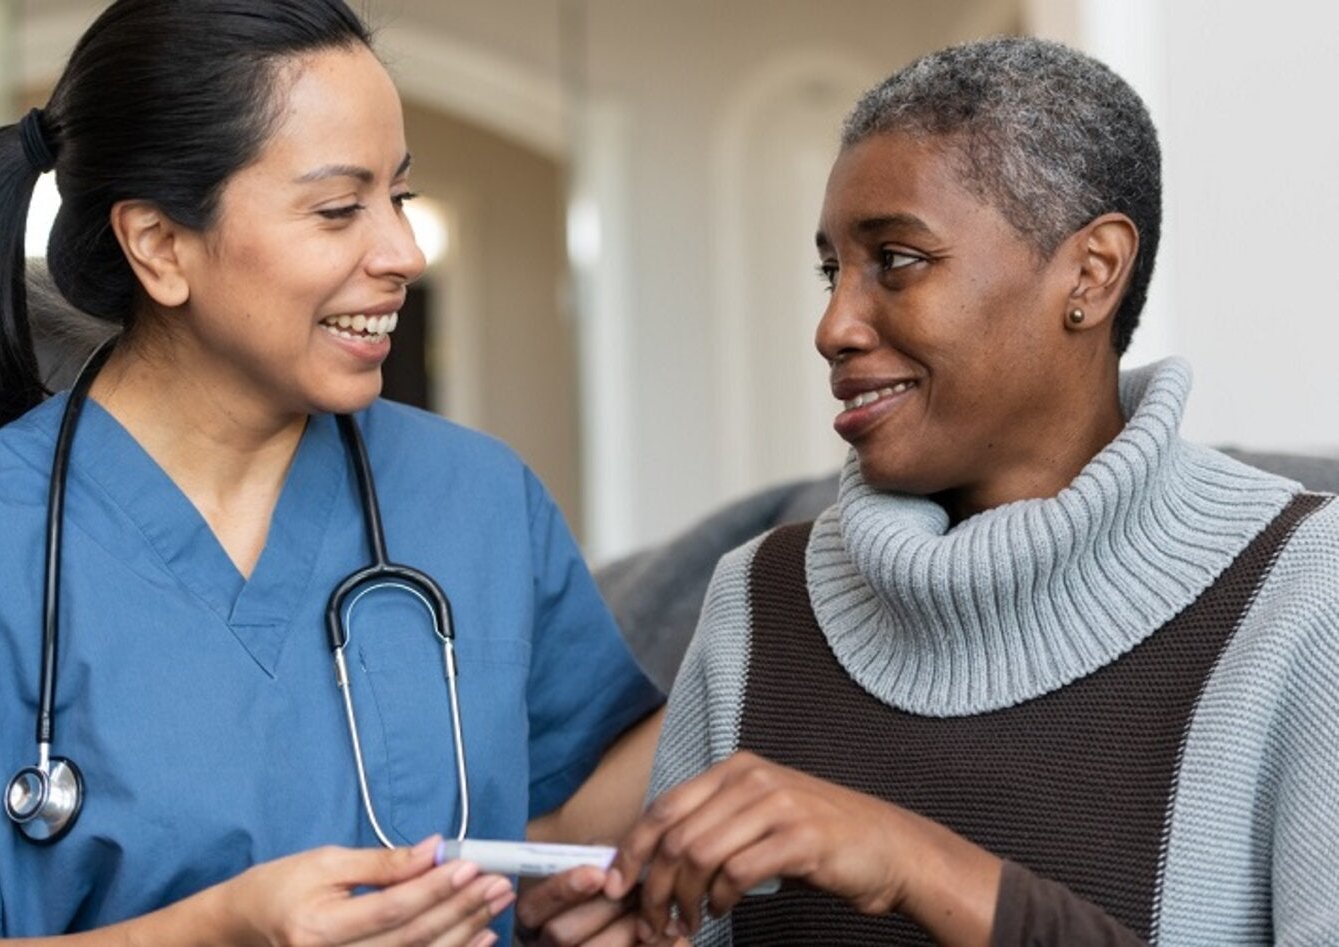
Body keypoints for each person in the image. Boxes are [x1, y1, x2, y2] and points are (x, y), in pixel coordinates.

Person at [518, 37, 1339, 945]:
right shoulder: (757, 596)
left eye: (897, 260)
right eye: (833, 270)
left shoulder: (1305, 594)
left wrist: (914, 862)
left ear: (1092, 271)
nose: (833, 325)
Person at [0, 1, 661, 943]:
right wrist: (224, 929)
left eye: (400, 196)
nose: (401, 252)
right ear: (158, 244)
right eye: (339, 208)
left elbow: (573, 803)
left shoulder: (476, 499)